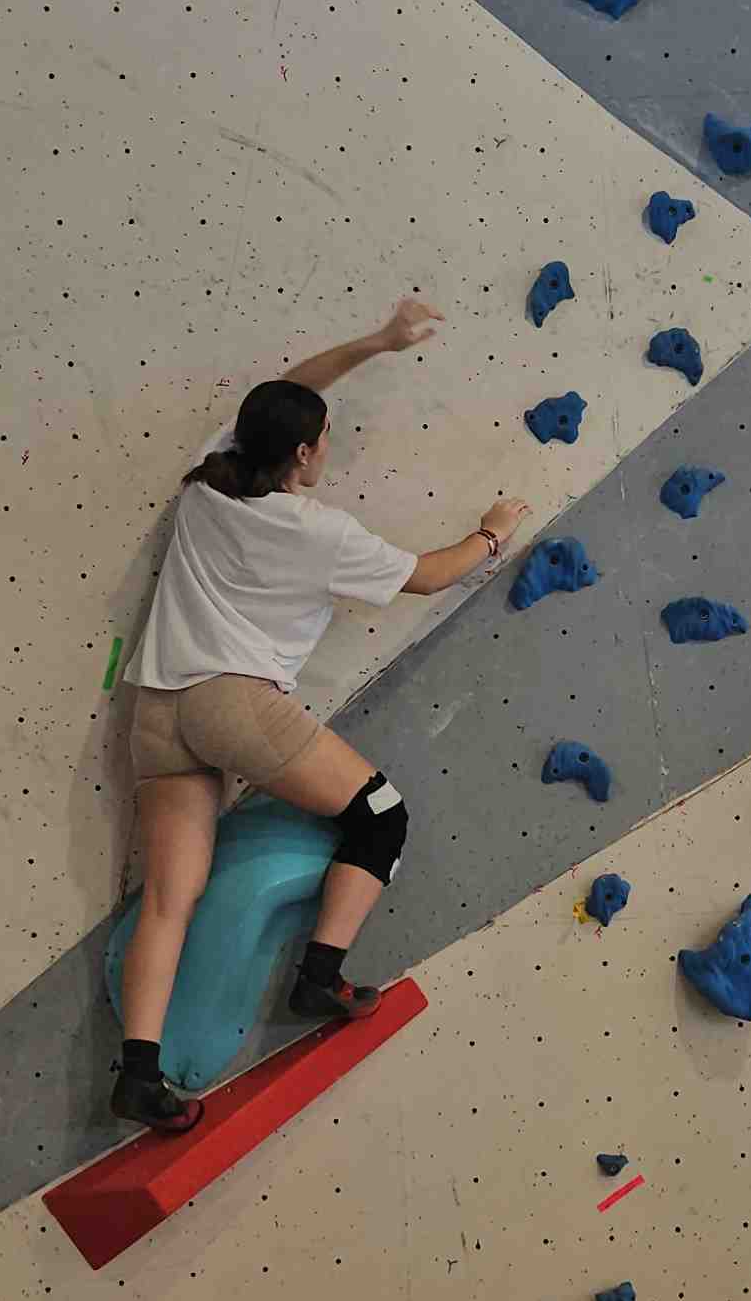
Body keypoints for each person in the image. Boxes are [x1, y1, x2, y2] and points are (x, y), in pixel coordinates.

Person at [110, 296, 528, 1131]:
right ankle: (321, 974)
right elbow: (428, 575)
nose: (328, 448)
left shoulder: (208, 485)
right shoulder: (317, 529)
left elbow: (280, 393)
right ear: (304, 453)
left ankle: (138, 1074)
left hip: (157, 711)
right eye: (323, 439)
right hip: (234, 705)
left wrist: (378, 344)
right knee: (381, 817)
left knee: (169, 896)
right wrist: (489, 535)